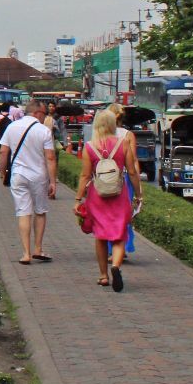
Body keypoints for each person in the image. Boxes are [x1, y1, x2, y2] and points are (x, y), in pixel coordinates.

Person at [75, 109, 142, 291]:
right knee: (119, 235)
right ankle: (116, 266)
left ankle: (104, 276)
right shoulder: (123, 143)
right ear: (113, 124)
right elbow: (133, 171)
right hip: (119, 194)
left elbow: (85, 175)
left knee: (101, 236)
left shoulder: (90, 146)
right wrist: (138, 194)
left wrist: (78, 198)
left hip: (98, 196)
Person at [0, 98, 57, 265]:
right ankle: (38, 248)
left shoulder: (12, 127)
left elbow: (3, 152)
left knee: (23, 212)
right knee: (40, 212)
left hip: (18, 174)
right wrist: (53, 181)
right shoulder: (43, 131)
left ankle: (26, 253)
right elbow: (50, 157)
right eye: (44, 113)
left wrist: (3, 173)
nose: (45, 117)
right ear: (37, 113)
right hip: (39, 176)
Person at [106, 103, 138, 259]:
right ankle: (122, 247)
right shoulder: (128, 135)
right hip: (124, 178)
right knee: (123, 214)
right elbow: (134, 162)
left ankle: (110, 247)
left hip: (105, 178)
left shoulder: (101, 134)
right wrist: (138, 186)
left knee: (107, 213)